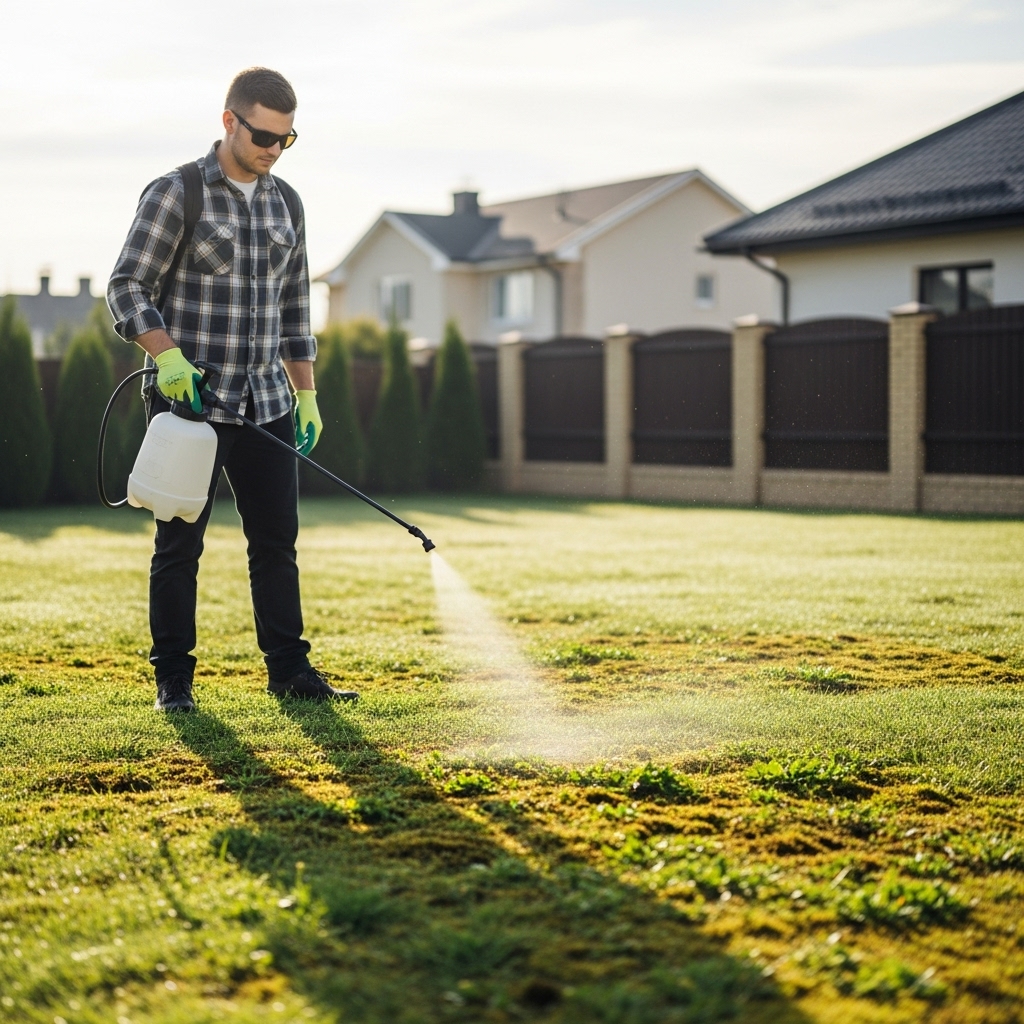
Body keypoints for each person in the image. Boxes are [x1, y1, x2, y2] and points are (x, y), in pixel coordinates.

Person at [107, 67, 357, 711]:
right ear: (229, 122)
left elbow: (295, 312)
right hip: (189, 404)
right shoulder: (177, 193)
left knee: (276, 542)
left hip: (268, 404)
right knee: (179, 542)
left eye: (287, 138)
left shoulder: (286, 204)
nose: (274, 149)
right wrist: (165, 357)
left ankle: (291, 673)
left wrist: (307, 394)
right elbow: (127, 286)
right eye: (264, 135)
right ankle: (174, 682)